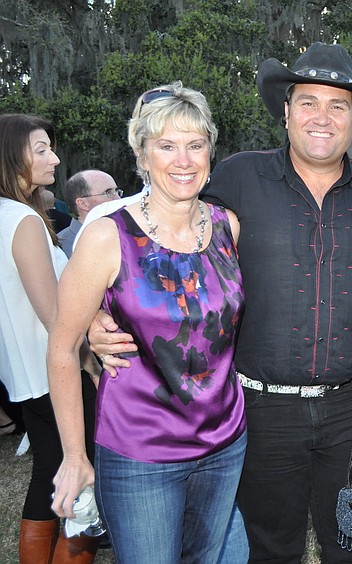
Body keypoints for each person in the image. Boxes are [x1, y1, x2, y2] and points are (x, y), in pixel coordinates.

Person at [91, 43, 352, 563]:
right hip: (260, 408)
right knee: (270, 549)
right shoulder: (235, 179)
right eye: (308, 101)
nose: (322, 117)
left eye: (338, 105)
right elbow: (156, 229)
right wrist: (100, 312)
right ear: (285, 111)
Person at [48, 82, 247, 562]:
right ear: (142, 153)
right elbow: (60, 348)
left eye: (195, 145)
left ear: (210, 151)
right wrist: (74, 457)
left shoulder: (226, 226)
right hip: (141, 450)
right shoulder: (106, 237)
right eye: (167, 146)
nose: (183, 159)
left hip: (225, 441)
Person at [0, 113, 101, 563]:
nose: (55, 159)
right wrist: (91, 367)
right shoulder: (22, 219)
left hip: (23, 373)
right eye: (41, 149)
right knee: (81, 477)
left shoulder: (6, 215)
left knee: (48, 470)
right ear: (10, 155)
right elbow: (55, 317)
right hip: (56, 372)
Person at [58, 170, 122, 257]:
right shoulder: (61, 247)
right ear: (83, 204)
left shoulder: (123, 236)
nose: (118, 199)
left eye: (116, 191)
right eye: (108, 193)